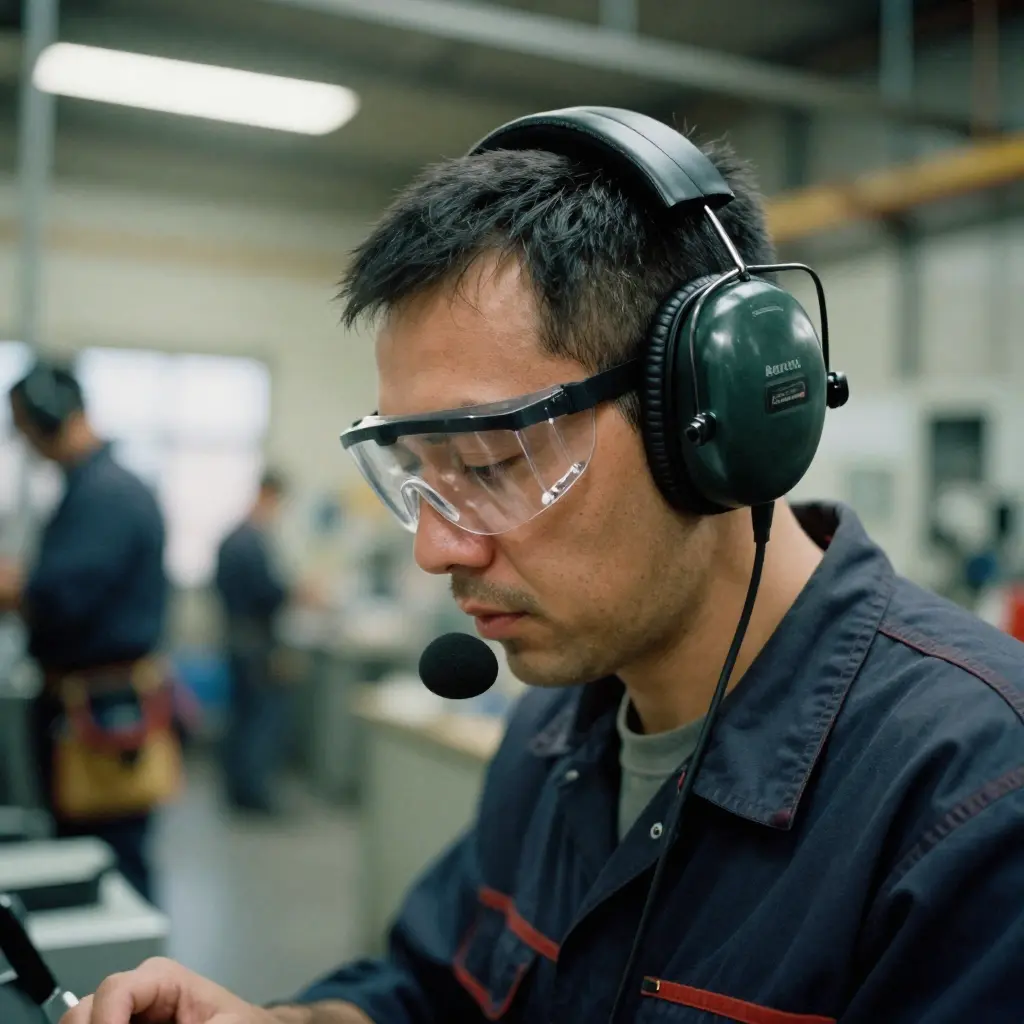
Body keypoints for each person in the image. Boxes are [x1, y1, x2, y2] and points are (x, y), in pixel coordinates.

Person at [64, 108, 1022, 1024]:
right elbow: (432, 990)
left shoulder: (972, 801)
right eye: (420, 478)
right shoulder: (550, 739)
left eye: (489, 467)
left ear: (710, 418)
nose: (438, 546)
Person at [0, 360, 169, 904]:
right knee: (91, 841)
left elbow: (57, 596)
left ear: (46, 419)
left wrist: (14, 587)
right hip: (85, 697)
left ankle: (136, 975)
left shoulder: (107, 495)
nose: (24, 443)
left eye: (23, 428)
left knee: (109, 853)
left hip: (100, 703)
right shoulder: (90, 487)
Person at [214, 470, 295, 815]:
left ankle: (238, 789)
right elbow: (267, 593)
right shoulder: (252, 541)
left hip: (235, 638)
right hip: (256, 643)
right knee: (261, 719)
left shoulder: (232, 538)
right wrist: (294, 592)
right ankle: (253, 793)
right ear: (270, 495)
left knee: (242, 716)